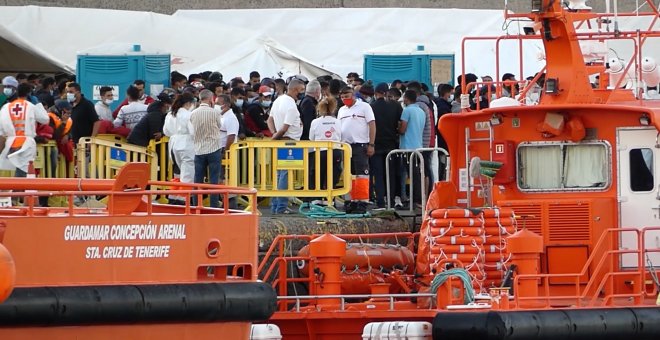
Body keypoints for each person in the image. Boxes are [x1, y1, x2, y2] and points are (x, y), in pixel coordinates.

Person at [267, 79, 305, 214]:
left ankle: (276, 205)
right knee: (285, 174)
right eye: (301, 90)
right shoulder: (291, 106)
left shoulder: (278, 100)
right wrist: (275, 137)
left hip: (282, 140)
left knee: (279, 174)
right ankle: (281, 207)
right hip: (290, 142)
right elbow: (284, 128)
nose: (302, 93)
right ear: (295, 90)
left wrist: (273, 134)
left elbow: (270, 119)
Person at [0, 83, 50, 177]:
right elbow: (45, 119)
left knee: (19, 170)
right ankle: (18, 190)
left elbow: (1, 128)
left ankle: (18, 189)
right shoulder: (31, 106)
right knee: (23, 170)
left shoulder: (7, 107)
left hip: (11, 142)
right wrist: (38, 104)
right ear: (28, 93)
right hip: (26, 143)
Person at [337, 87, 376, 207]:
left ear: (353, 95)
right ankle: (351, 199)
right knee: (349, 174)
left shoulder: (364, 107)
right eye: (342, 97)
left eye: (347, 96)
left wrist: (371, 144)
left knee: (361, 174)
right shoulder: (341, 110)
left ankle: (362, 199)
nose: (345, 99)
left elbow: (372, 125)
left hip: (360, 145)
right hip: (345, 146)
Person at [188, 89, 223, 208]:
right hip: (214, 148)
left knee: (197, 179)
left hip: (198, 149)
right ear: (210, 99)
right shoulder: (215, 112)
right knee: (214, 179)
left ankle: (196, 205)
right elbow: (219, 126)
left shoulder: (193, 113)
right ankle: (214, 206)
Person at [370, 82, 402, 209]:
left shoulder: (371, 106)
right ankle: (391, 200)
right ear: (387, 92)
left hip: (376, 144)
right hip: (392, 144)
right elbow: (400, 124)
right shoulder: (396, 106)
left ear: (376, 93)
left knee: (378, 174)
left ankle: (380, 202)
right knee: (391, 173)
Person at [308, 96, 342, 197]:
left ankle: (317, 199)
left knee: (318, 175)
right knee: (333, 176)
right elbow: (341, 136)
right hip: (335, 151)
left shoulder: (315, 122)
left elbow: (311, 138)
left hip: (320, 152)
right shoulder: (338, 122)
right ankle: (331, 199)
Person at [399, 90, 425, 205]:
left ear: (406, 99)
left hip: (408, 147)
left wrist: (398, 130)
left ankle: (415, 199)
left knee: (410, 174)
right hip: (419, 146)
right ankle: (419, 198)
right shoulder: (421, 111)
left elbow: (403, 129)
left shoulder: (407, 110)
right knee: (416, 173)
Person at [164, 92, 196, 185]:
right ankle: (185, 197)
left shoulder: (170, 114)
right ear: (188, 103)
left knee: (177, 172)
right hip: (186, 144)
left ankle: (175, 196)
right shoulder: (188, 115)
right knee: (188, 174)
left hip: (173, 144)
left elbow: (166, 131)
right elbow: (193, 132)